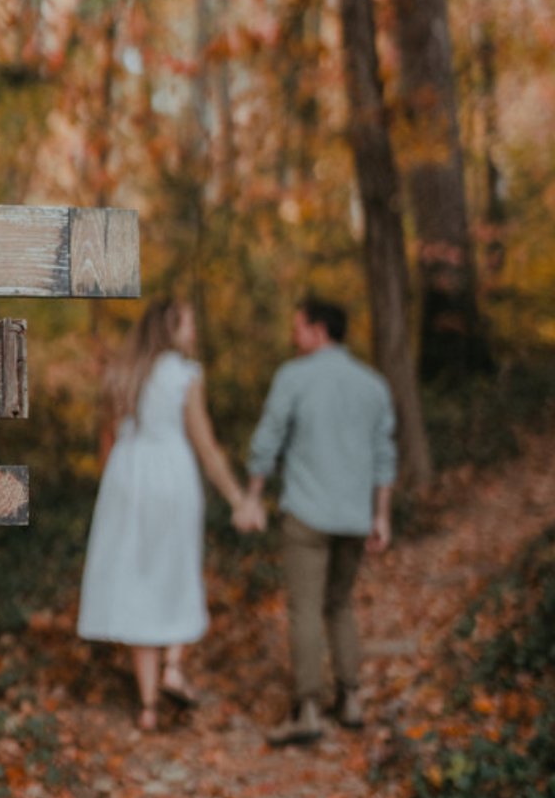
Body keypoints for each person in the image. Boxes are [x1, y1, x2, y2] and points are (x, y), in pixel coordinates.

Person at [77, 297, 246, 733]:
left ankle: (149, 706)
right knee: (176, 570)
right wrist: (237, 496)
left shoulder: (122, 372)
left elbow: (107, 440)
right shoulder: (184, 375)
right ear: (169, 328)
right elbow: (205, 445)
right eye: (188, 324)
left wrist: (110, 488)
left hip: (127, 478)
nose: (193, 332)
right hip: (171, 475)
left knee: (136, 578)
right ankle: (173, 665)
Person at [236, 296, 397, 747]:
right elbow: (386, 455)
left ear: (319, 331)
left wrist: (253, 497)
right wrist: (381, 515)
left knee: (306, 609)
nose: (293, 335)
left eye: (298, 327)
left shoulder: (293, 377)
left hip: (307, 515)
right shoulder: (373, 384)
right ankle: (351, 700)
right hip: (354, 518)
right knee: (339, 605)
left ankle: (307, 708)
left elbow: (267, 440)